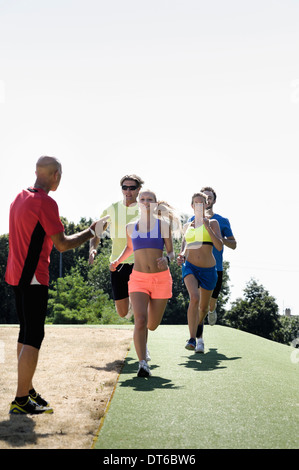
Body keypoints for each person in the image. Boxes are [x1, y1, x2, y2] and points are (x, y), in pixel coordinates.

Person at [5, 156, 108, 415]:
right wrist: (91, 232)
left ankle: (25, 390)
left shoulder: (19, 197)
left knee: (25, 331)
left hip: (16, 274)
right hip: (34, 276)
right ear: (56, 175)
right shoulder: (46, 202)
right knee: (33, 335)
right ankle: (20, 399)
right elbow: (62, 244)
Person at [110, 190, 176, 377]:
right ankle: (142, 363)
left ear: (155, 203)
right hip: (138, 278)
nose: (146, 202)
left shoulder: (163, 225)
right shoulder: (131, 227)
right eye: (143, 199)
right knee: (140, 320)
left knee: (151, 325)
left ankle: (143, 340)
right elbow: (130, 247)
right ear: (138, 202)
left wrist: (167, 259)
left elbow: (171, 252)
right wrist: (117, 261)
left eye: (150, 200)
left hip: (161, 279)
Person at [189, 187, 237, 353]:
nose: (206, 201)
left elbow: (234, 244)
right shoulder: (191, 220)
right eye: (203, 199)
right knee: (196, 302)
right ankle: (199, 340)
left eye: (209, 198)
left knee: (208, 305)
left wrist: (217, 236)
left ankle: (213, 308)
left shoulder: (221, 221)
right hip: (195, 268)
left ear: (213, 201)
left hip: (215, 268)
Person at [89, 175, 144, 319]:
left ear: (138, 190)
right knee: (122, 312)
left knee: (140, 311)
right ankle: (132, 302)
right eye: (125, 187)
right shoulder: (112, 209)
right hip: (117, 263)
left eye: (132, 188)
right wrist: (93, 249)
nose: (128, 191)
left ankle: (136, 302)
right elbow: (97, 232)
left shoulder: (143, 209)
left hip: (139, 263)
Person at [177, 192, 223, 351]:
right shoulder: (187, 226)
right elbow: (184, 247)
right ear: (191, 206)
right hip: (190, 267)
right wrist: (181, 256)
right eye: (195, 203)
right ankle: (191, 339)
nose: (198, 206)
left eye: (201, 203)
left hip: (209, 270)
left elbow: (219, 246)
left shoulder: (213, 223)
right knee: (194, 298)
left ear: (206, 205)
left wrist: (207, 226)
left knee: (203, 308)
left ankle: (199, 336)